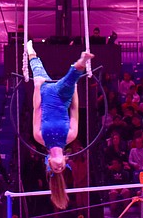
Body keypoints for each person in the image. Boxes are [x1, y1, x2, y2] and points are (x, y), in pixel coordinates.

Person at [26, 40, 94, 210]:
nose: (59, 167)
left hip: (44, 93)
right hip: (62, 98)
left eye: (55, 169)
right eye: (62, 167)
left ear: (48, 162)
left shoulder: (40, 137)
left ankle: (29, 48)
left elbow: (36, 110)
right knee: (70, 80)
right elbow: (75, 110)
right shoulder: (70, 136)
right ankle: (82, 60)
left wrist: (36, 88)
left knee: (36, 67)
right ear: (65, 160)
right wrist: (75, 91)